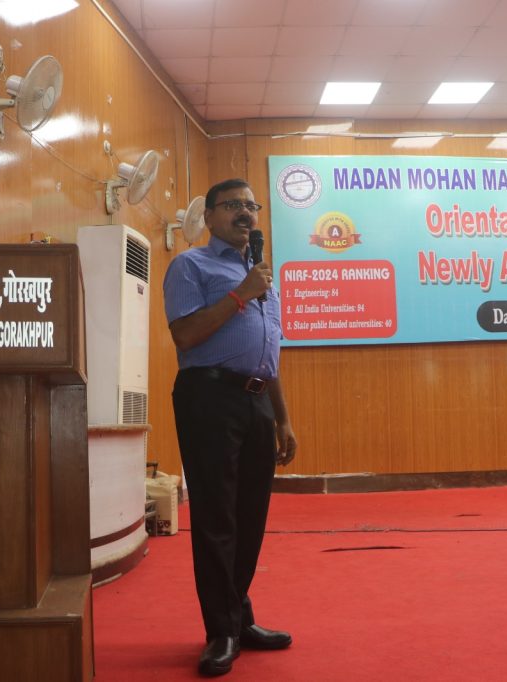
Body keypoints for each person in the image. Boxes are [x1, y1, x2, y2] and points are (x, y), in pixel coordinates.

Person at [163, 178, 298, 677]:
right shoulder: (190, 266)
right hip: (209, 398)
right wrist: (241, 295)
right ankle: (221, 631)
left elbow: (269, 351)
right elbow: (185, 334)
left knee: (249, 517)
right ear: (210, 216)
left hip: (257, 401)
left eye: (251, 205)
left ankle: (239, 618)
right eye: (233, 205)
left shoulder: (261, 276)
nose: (245, 213)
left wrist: (282, 418)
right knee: (217, 518)